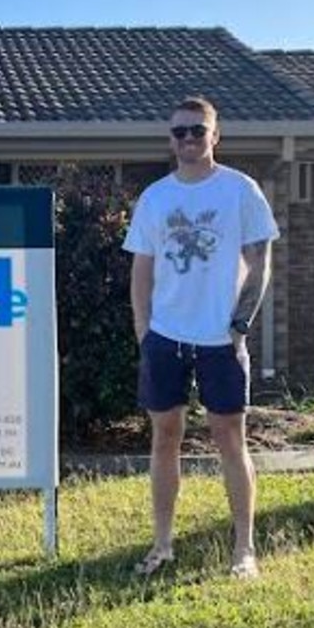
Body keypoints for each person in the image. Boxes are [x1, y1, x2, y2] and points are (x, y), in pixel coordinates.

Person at [121, 95, 279, 578]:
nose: (188, 139)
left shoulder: (240, 191)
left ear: (215, 136)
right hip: (166, 338)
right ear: (170, 139)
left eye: (197, 130)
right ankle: (163, 544)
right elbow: (141, 273)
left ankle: (243, 551)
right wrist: (144, 332)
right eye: (179, 132)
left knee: (230, 439)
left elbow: (260, 261)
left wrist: (239, 325)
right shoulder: (156, 198)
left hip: (220, 340)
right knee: (164, 437)